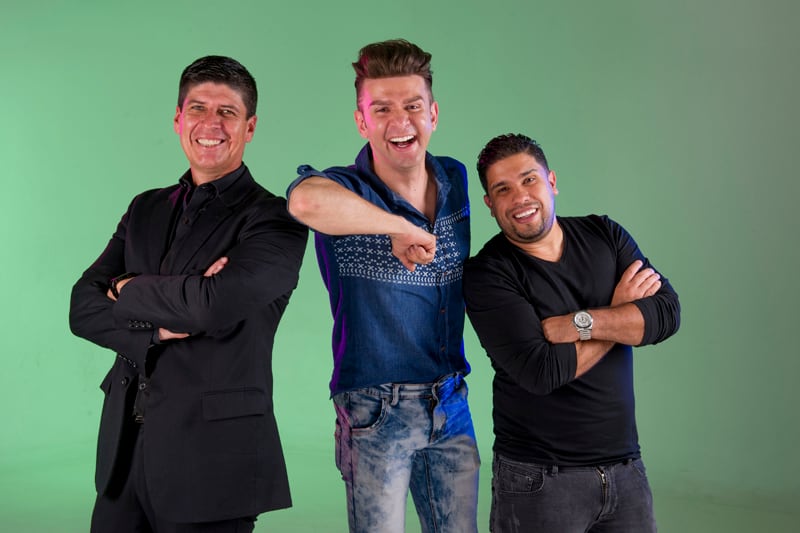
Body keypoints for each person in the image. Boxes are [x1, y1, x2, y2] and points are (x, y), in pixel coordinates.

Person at [69, 55, 308, 533]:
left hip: (213, 461)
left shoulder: (276, 219)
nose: (210, 124)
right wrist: (156, 327)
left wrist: (125, 286)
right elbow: (82, 306)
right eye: (198, 108)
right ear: (179, 119)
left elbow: (210, 306)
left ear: (250, 127)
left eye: (227, 112)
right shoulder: (144, 208)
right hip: (123, 454)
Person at [286, 39, 479, 533]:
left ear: (433, 114)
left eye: (413, 106)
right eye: (382, 109)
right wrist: (397, 227)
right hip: (376, 409)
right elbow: (303, 202)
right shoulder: (344, 189)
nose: (400, 122)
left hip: (451, 401)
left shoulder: (454, 178)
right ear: (361, 121)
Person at [463, 133, 681, 533]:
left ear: (552, 181)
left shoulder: (605, 235)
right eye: (503, 189)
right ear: (489, 204)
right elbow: (542, 371)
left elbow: (666, 313)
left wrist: (580, 323)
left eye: (529, 180)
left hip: (626, 471)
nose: (520, 197)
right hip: (539, 479)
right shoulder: (487, 273)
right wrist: (620, 314)